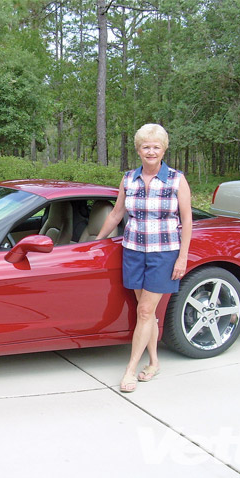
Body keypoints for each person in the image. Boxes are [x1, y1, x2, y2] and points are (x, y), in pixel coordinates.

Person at [95, 123, 192, 393]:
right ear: (138, 149)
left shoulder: (176, 179)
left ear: (164, 149)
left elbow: (187, 220)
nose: (151, 151)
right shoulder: (129, 178)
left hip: (164, 253)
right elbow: (116, 214)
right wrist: (96, 241)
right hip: (134, 251)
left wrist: (182, 258)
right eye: (146, 146)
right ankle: (155, 362)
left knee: (146, 311)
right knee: (144, 312)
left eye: (156, 147)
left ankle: (130, 370)